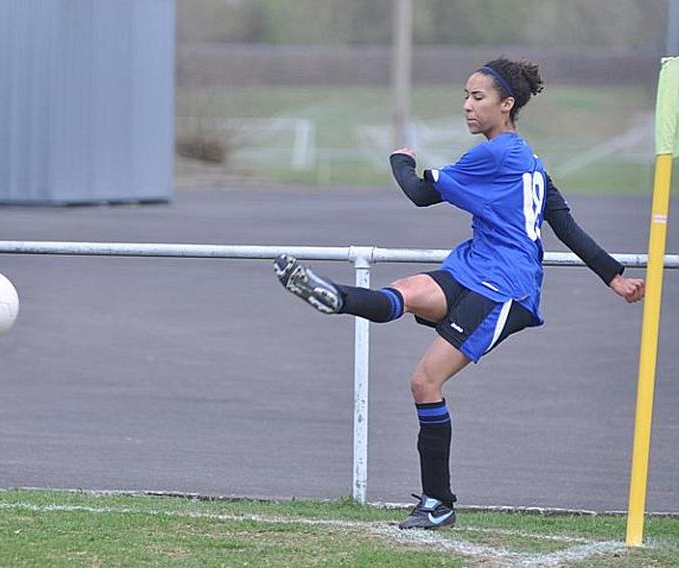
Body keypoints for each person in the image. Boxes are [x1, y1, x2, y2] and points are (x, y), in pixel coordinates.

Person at [273, 58, 644, 529]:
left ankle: (438, 503)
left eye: (478, 97)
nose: (467, 106)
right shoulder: (528, 160)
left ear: (507, 105)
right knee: (406, 292)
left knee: (424, 383)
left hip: (505, 287)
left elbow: (420, 194)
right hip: (473, 267)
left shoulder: (496, 154)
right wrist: (614, 276)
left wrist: (400, 160)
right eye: (466, 96)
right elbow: (564, 223)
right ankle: (334, 297)